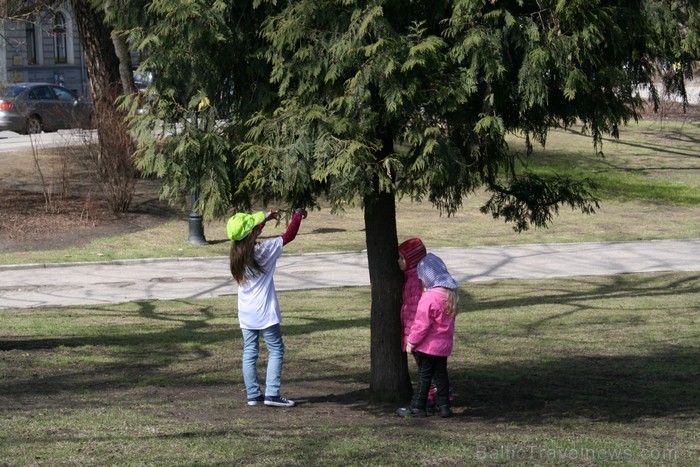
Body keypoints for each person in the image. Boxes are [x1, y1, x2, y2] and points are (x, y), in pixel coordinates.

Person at [227, 207, 308, 408]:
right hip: (265, 313)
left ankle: (253, 395)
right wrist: (297, 216)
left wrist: (266, 219)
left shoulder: (235, 257)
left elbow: (248, 234)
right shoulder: (264, 252)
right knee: (276, 349)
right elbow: (288, 236)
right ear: (253, 233)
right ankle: (272, 393)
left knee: (250, 352)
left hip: (246, 314)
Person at [397, 253, 459, 418]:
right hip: (443, 347)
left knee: (424, 377)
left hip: (428, 347)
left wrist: (411, 342)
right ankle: (444, 406)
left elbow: (421, 324)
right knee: (441, 375)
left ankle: (418, 406)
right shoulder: (450, 296)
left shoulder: (429, 298)